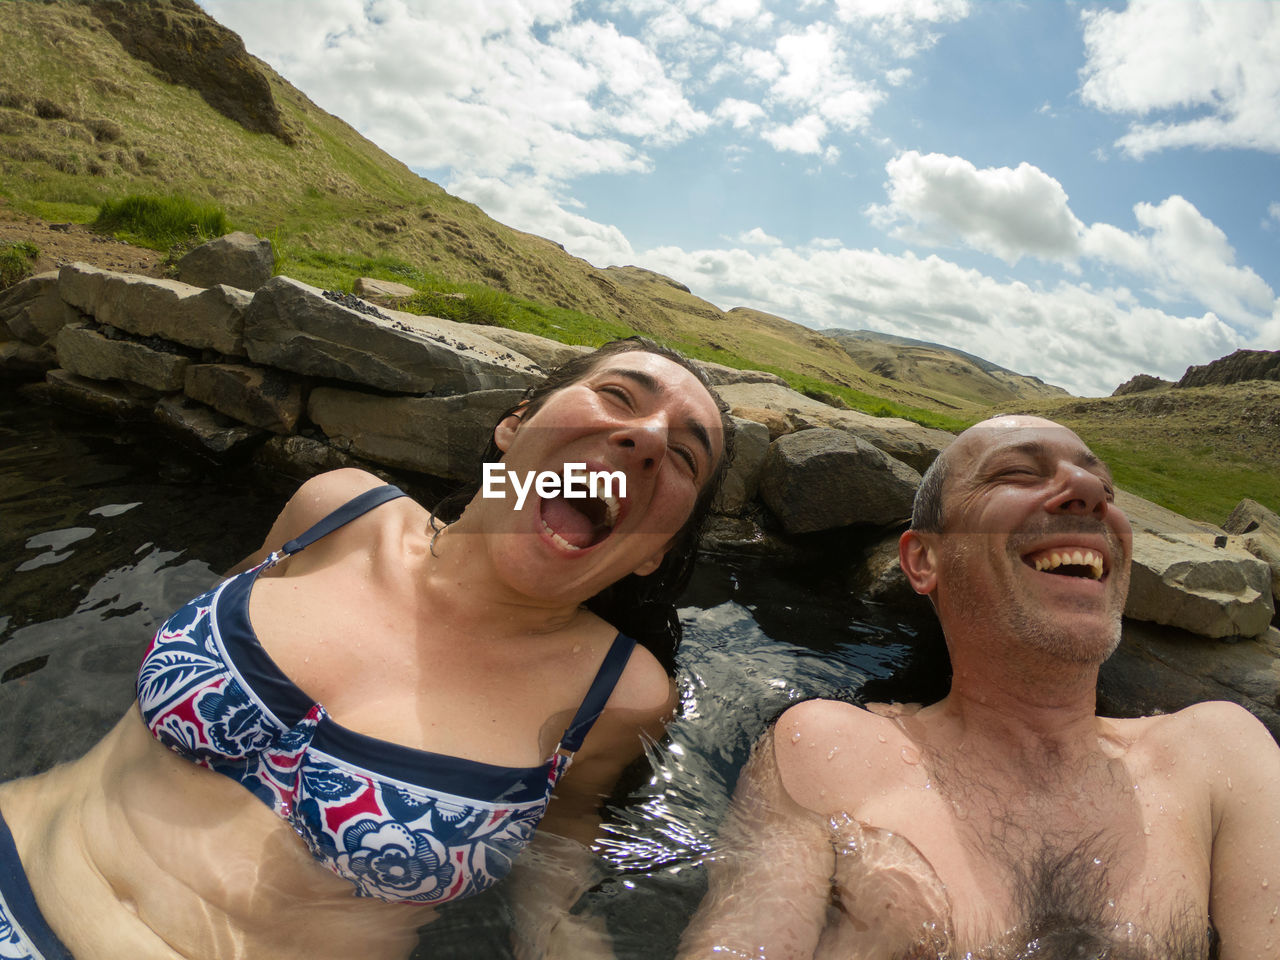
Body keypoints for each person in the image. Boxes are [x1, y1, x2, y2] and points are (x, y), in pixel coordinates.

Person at [0, 337, 732, 960]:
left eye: (685, 458)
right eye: (618, 396)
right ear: (515, 423)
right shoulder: (335, 510)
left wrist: (564, 937)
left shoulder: (620, 694)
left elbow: (561, 853)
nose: (648, 439)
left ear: (652, 553)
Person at [678, 415, 1280, 959]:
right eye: (1018, 473)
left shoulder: (1219, 754)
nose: (1093, 494)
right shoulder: (830, 748)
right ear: (923, 562)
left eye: (1106, 489)